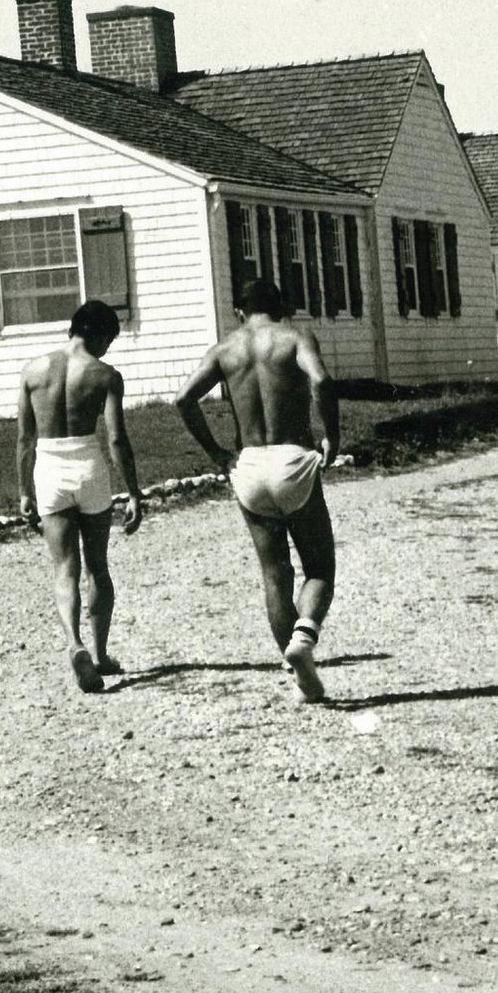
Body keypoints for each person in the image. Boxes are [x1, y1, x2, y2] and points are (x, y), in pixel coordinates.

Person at [173, 275, 339, 702]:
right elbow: (320, 381)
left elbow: (183, 399)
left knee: (274, 574)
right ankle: (304, 639)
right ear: (280, 306)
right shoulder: (294, 336)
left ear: (239, 312)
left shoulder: (226, 348)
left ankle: (293, 664)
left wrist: (215, 452)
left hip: (248, 464)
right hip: (292, 458)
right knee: (318, 568)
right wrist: (331, 438)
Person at [17, 299, 142, 693]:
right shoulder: (105, 375)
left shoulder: (33, 370)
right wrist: (134, 492)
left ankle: (75, 644)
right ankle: (101, 654)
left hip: (50, 468)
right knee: (98, 567)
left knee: (64, 569)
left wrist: (24, 491)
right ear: (101, 335)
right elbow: (117, 439)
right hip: (88, 465)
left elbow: (24, 440)